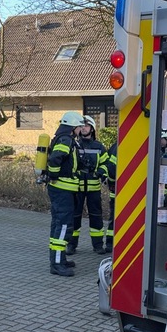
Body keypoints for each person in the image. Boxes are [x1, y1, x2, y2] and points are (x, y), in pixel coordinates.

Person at [46, 111, 86, 277]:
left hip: (62, 190)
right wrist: (54, 175)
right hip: (62, 190)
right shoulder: (66, 140)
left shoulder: (65, 139)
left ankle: (59, 259)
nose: (80, 130)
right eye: (79, 127)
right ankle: (56, 264)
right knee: (62, 226)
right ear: (73, 127)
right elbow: (55, 160)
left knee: (58, 224)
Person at [68, 115, 109, 255]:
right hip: (76, 187)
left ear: (92, 128)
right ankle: (71, 245)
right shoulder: (73, 145)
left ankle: (98, 245)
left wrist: (100, 172)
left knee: (96, 217)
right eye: (82, 126)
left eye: (86, 125)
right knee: (74, 217)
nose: (84, 128)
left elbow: (106, 164)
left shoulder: (99, 147)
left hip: (93, 188)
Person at [103, 141, 117, 253]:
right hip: (118, 190)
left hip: (115, 189)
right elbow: (111, 168)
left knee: (114, 218)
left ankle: (110, 243)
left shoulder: (114, 146)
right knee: (115, 218)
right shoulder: (119, 147)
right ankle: (110, 243)